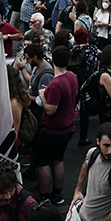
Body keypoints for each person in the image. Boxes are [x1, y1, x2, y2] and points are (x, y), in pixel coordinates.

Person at [32, 45, 77, 204]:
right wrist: (49, 93)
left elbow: (50, 110)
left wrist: (43, 96)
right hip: (68, 126)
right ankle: (57, 194)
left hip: (53, 129)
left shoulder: (56, 83)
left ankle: (43, 196)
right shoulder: (72, 76)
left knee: (43, 163)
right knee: (58, 160)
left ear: (53, 60)